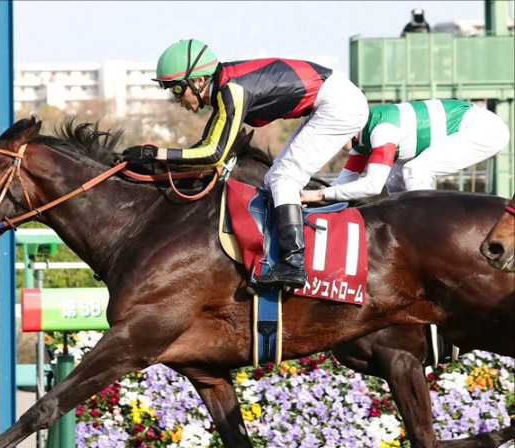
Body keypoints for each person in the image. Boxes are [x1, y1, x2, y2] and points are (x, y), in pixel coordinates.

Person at [122, 39, 368, 290]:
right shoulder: (225, 88)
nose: (176, 98)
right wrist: (155, 158)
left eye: (176, 89)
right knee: (274, 179)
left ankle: (294, 264)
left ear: (198, 81)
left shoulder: (232, 90)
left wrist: (157, 154)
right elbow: (206, 146)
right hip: (330, 101)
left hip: (339, 104)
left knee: (284, 179)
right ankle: (282, 256)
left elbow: (213, 155)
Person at [299, 99, 510, 204]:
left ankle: (433, 231)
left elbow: (372, 186)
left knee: (415, 171)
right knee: (395, 178)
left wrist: (319, 194)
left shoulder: (382, 130)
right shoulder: (360, 137)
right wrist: (306, 196)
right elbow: (341, 185)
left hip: (485, 129)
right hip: (468, 123)